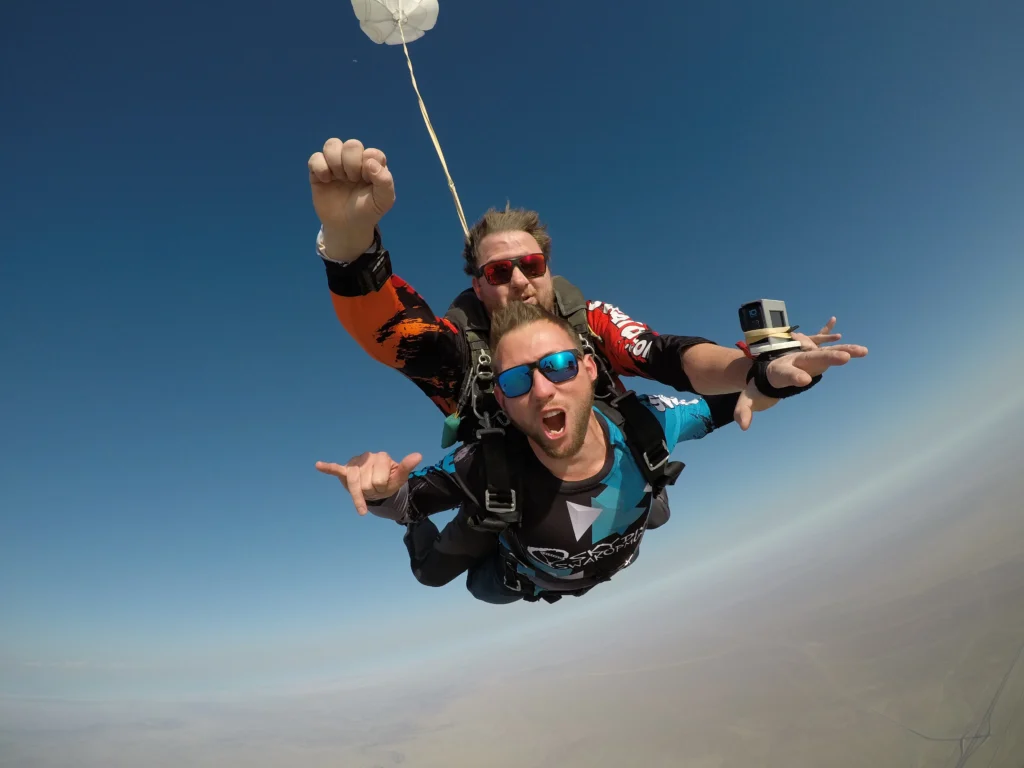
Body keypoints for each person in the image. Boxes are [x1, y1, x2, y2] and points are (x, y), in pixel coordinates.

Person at [307, 136, 864, 530]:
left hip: (610, 464)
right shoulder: (462, 354)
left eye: (532, 265)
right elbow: (399, 332)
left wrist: (756, 371)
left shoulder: (589, 321)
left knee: (652, 484)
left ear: (548, 267)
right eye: (499, 272)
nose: (520, 281)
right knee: (463, 571)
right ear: (478, 288)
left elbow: (668, 355)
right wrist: (350, 245)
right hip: (516, 500)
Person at [315, 301, 866, 604]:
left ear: (587, 367)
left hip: (606, 551)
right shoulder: (484, 463)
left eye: (555, 366)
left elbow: (731, 402)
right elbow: (405, 499)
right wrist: (382, 491)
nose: (541, 389)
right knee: (439, 576)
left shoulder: (647, 422)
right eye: (514, 381)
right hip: (518, 579)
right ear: (502, 405)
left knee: (656, 508)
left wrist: (775, 375)